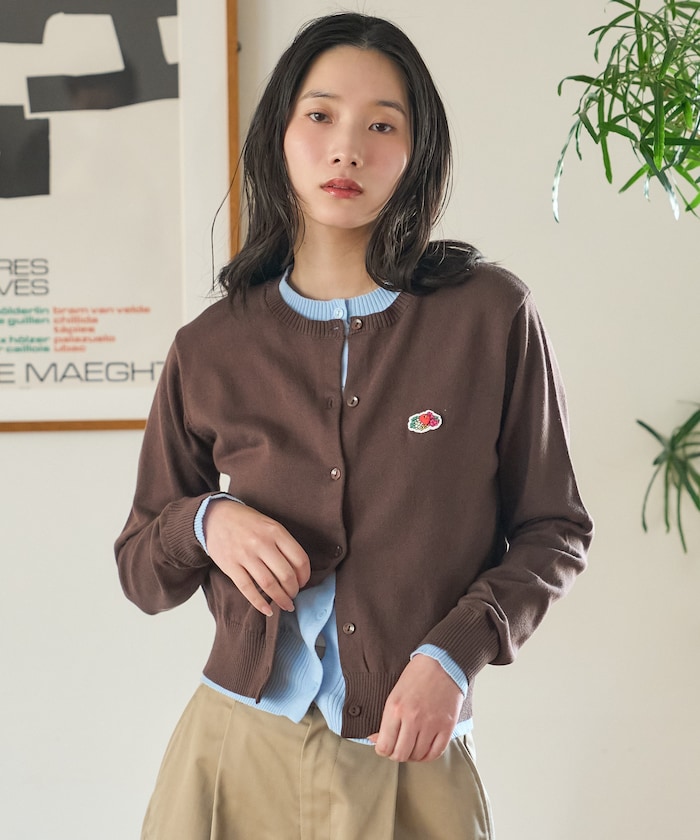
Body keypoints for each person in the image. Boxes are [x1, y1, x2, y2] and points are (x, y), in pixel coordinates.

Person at [115, 12, 593, 840]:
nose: (347, 149)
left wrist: (452, 656)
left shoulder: (489, 316)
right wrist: (205, 521)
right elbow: (141, 570)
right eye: (321, 115)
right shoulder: (212, 345)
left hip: (415, 753)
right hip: (233, 750)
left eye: (382, 125)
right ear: (279, 135)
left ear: (417, 152)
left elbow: (554, 529)